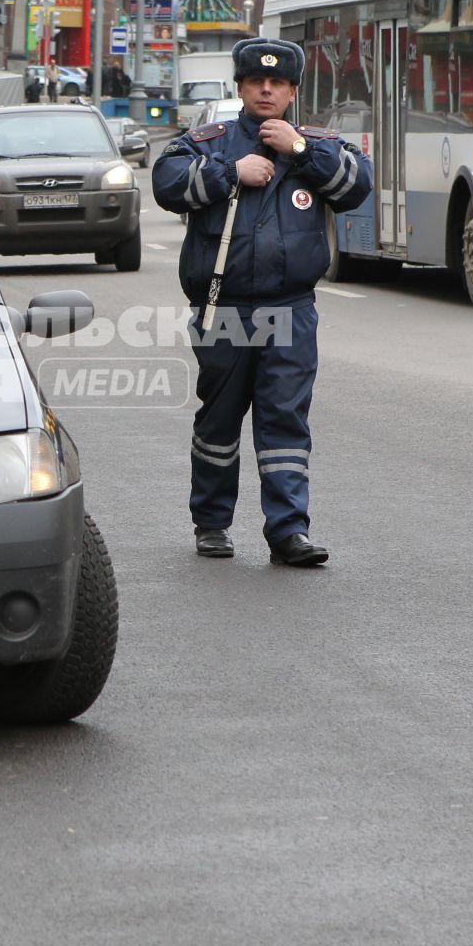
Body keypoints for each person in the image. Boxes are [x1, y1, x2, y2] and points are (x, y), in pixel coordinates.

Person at [151, 37, 374, 568]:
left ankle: (288, 531)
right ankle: (211, 523)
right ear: (241, 88)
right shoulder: (210, 142)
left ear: (293, 91)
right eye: (257, 82)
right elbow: (165, 182)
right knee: (220, 420)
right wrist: (231, 173)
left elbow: (357, 185)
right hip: (224, 308)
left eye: (277, 83)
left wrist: (299, 150)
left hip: (290, 308)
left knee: (285, 422)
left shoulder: (315, 144)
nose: (267, 90)